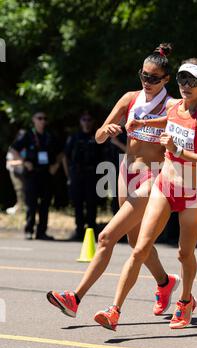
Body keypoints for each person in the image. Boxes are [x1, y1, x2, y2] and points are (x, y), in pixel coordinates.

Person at [47, 43, 180, 318]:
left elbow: (184, 135)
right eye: (143, 75)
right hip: (126, 173)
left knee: (106, 236)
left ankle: (75, 298)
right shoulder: (130, 98)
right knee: (135, 243)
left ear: (166, 79)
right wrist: (105, 131)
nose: (147, 81)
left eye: (154, 78)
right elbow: (97, 136)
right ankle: (165, 283)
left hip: (153, 177)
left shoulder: (173, 105)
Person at [94, 57, 197, 331]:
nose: (186, 85)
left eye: (194, 81)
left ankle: (185, 300)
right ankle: (114, 311)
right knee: (139, 248)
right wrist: (139, 124)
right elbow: (168, 119)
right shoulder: (175, 108)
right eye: (183, 78)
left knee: (185, 254)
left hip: (193, 190)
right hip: (165, 186)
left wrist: (177, 151)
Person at [10, 112, 62, 240]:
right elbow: (13, 149)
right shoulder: (28, 135)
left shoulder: (49, 136)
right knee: (31, 204)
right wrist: (24, 162)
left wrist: (56, 165)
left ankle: (42, 232)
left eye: (44, 118)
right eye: (39, 118)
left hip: (46, 174)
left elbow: (61, 151)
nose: (42, 121)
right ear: (33, 120)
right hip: (32, 174)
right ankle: (29, 230)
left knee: (45, 204)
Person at [63, 111, 107, 241]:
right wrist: (68, 175)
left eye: (89, 120)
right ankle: (78, 231)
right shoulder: (74, 137)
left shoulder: (97, 137)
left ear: (92, 122)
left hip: (93, 174)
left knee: (92, 203)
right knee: (78, 203)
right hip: (77, 174)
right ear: (80, 121)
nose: (86, 122)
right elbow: (65, 156)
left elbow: (103, 158)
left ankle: (91, 231)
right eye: (84, 120)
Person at [6, 129, 26, 215]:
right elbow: (9, 163)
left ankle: (22, 208)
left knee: (26, 190)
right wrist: (23, 162)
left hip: (25, 172)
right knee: (20, 190)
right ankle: (20, 210)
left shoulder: (27, 147)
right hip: (15, 172)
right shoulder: (13, 147)